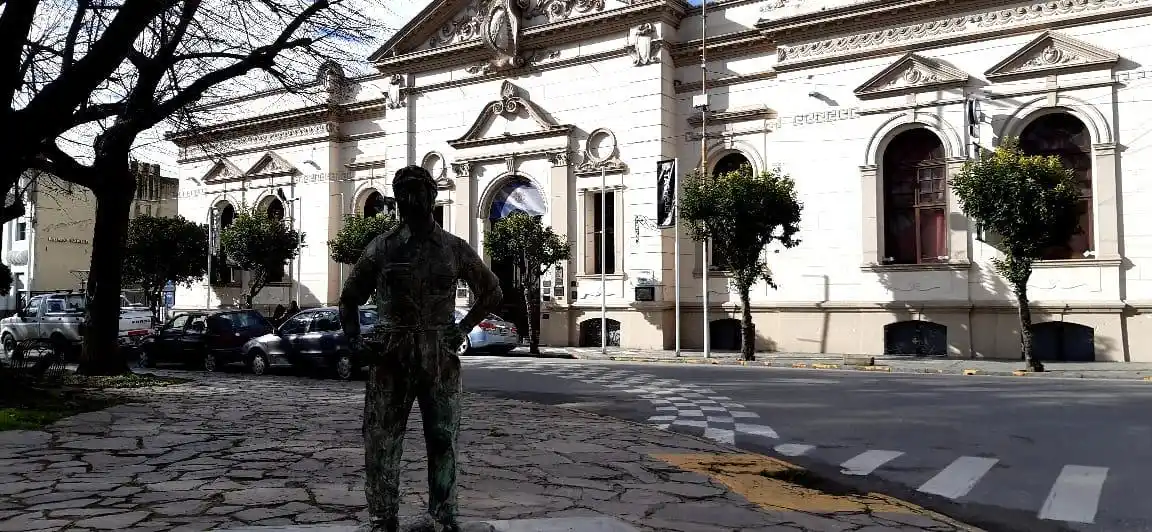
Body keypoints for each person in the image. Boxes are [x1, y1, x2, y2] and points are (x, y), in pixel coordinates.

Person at [339, 165, 502, 532]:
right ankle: (383, 518)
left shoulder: (454, 248)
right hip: (391, 354)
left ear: (432, 195)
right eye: (404, 193)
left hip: (439, 356)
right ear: (397, 200)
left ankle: (444, 516)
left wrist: (462, 326)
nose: (412, 200)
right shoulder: (382, 247)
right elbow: (349, 298)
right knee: (381, 439)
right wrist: (355, 341)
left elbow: (492, 290)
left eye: (418, 191)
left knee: (443, 438)